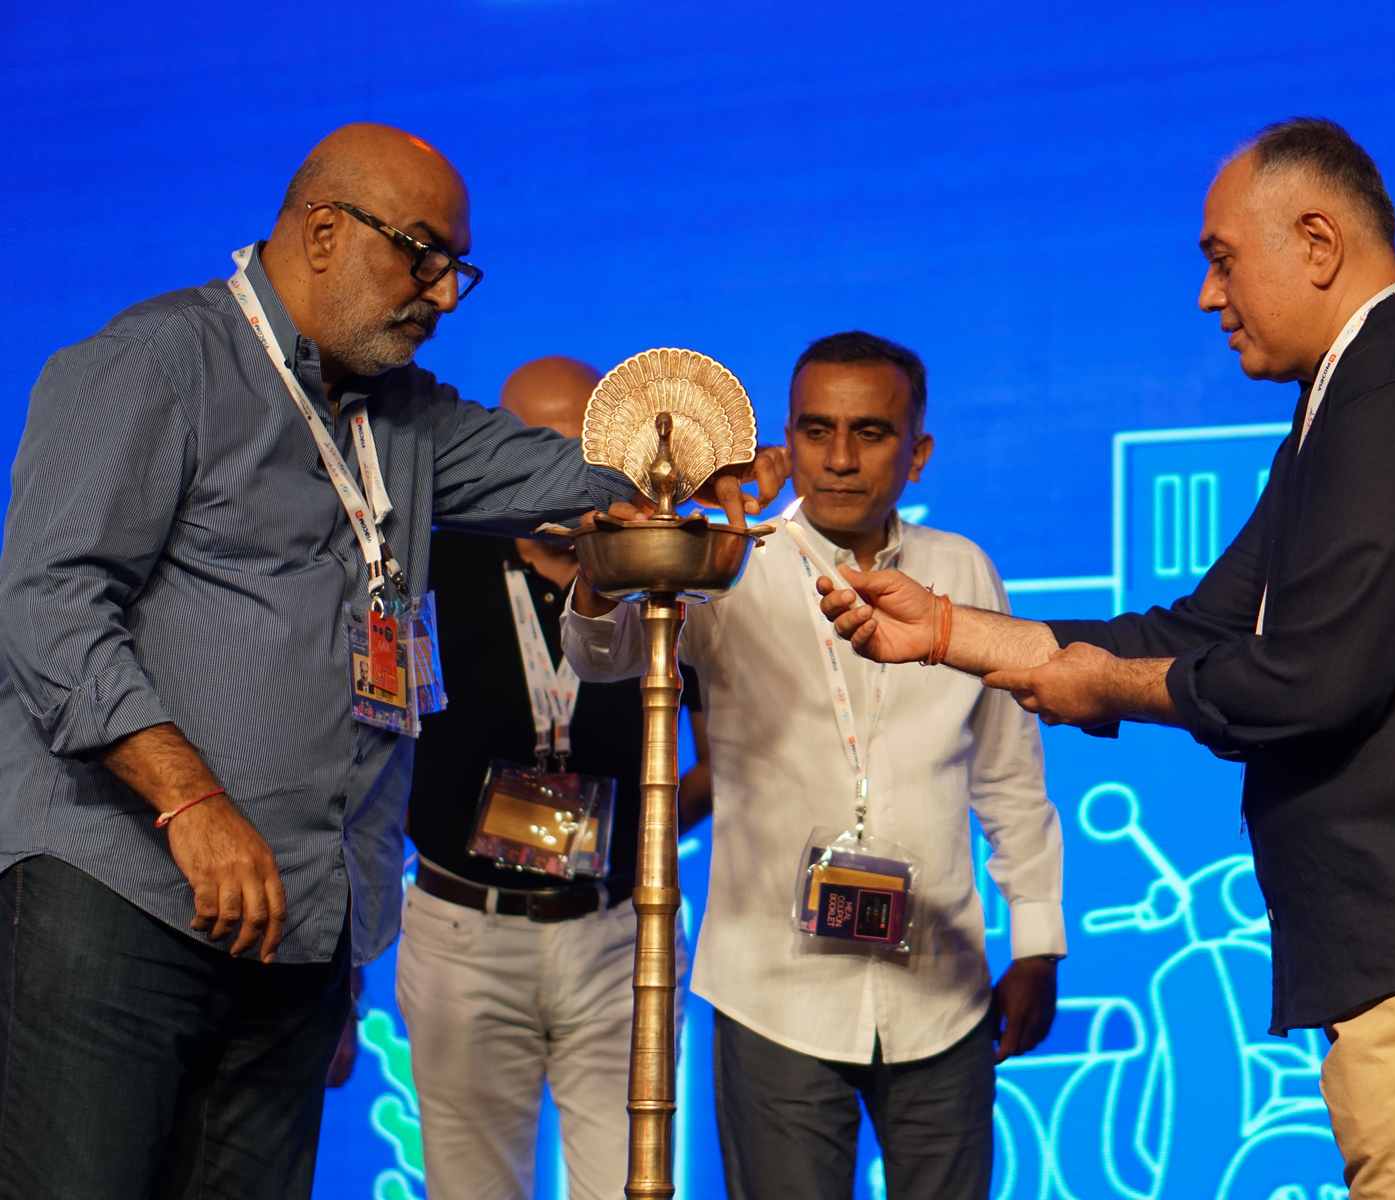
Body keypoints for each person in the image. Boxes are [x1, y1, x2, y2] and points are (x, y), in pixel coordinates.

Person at [820, 119, 1395, 1200]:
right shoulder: (1352, 400)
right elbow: (1206, 629)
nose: (1209, 297)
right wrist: (947, 632)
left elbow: (1314, 677)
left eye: (1222, 258)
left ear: (1317, 242)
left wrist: (1105, 682)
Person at [0, 123, 779, 1200]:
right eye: (423, 256)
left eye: (458, 268)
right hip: (122, 895)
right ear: (324, 232)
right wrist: (191, 802)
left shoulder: (403, 417)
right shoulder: (153, 364)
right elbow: (47, 603)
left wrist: (697, 464)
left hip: (293, 925)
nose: (444, 295)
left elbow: (562, 470)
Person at [562, 331, 1066, 1200]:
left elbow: (1008, 774)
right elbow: (602, 656)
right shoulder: (731, 560)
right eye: (816, 430)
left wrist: (1038, 944)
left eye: (870, 432)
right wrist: (612, 570)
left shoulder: (963, 570)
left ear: (918, 454)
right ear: (785, 442)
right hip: (773, 991)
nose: (839, 458)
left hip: (942, 990)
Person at [399, 355, 714, 1200]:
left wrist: (634, 841)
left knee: (631, 1184)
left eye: (581, 446)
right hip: (462, 929)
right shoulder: (433, 563)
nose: (560, 470)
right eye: (535, 444)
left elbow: (727, 757)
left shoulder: (657, 572)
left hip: (616, 933)